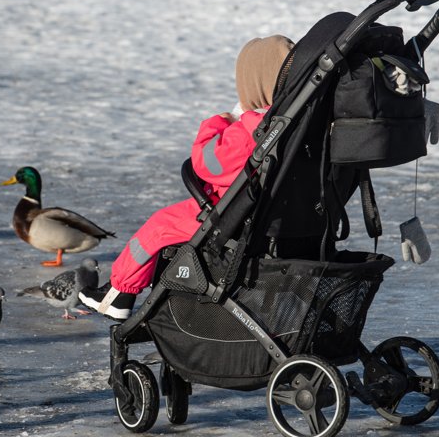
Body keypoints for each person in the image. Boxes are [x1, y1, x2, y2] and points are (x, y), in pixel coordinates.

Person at [79, 35, 294, 320]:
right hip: (287, 217)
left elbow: (205, 164)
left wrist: (220, 122)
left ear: (253, 84)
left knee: (159, 227)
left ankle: (120, 292)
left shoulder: (249, 130)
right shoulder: (298, 126)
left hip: (234, 214)